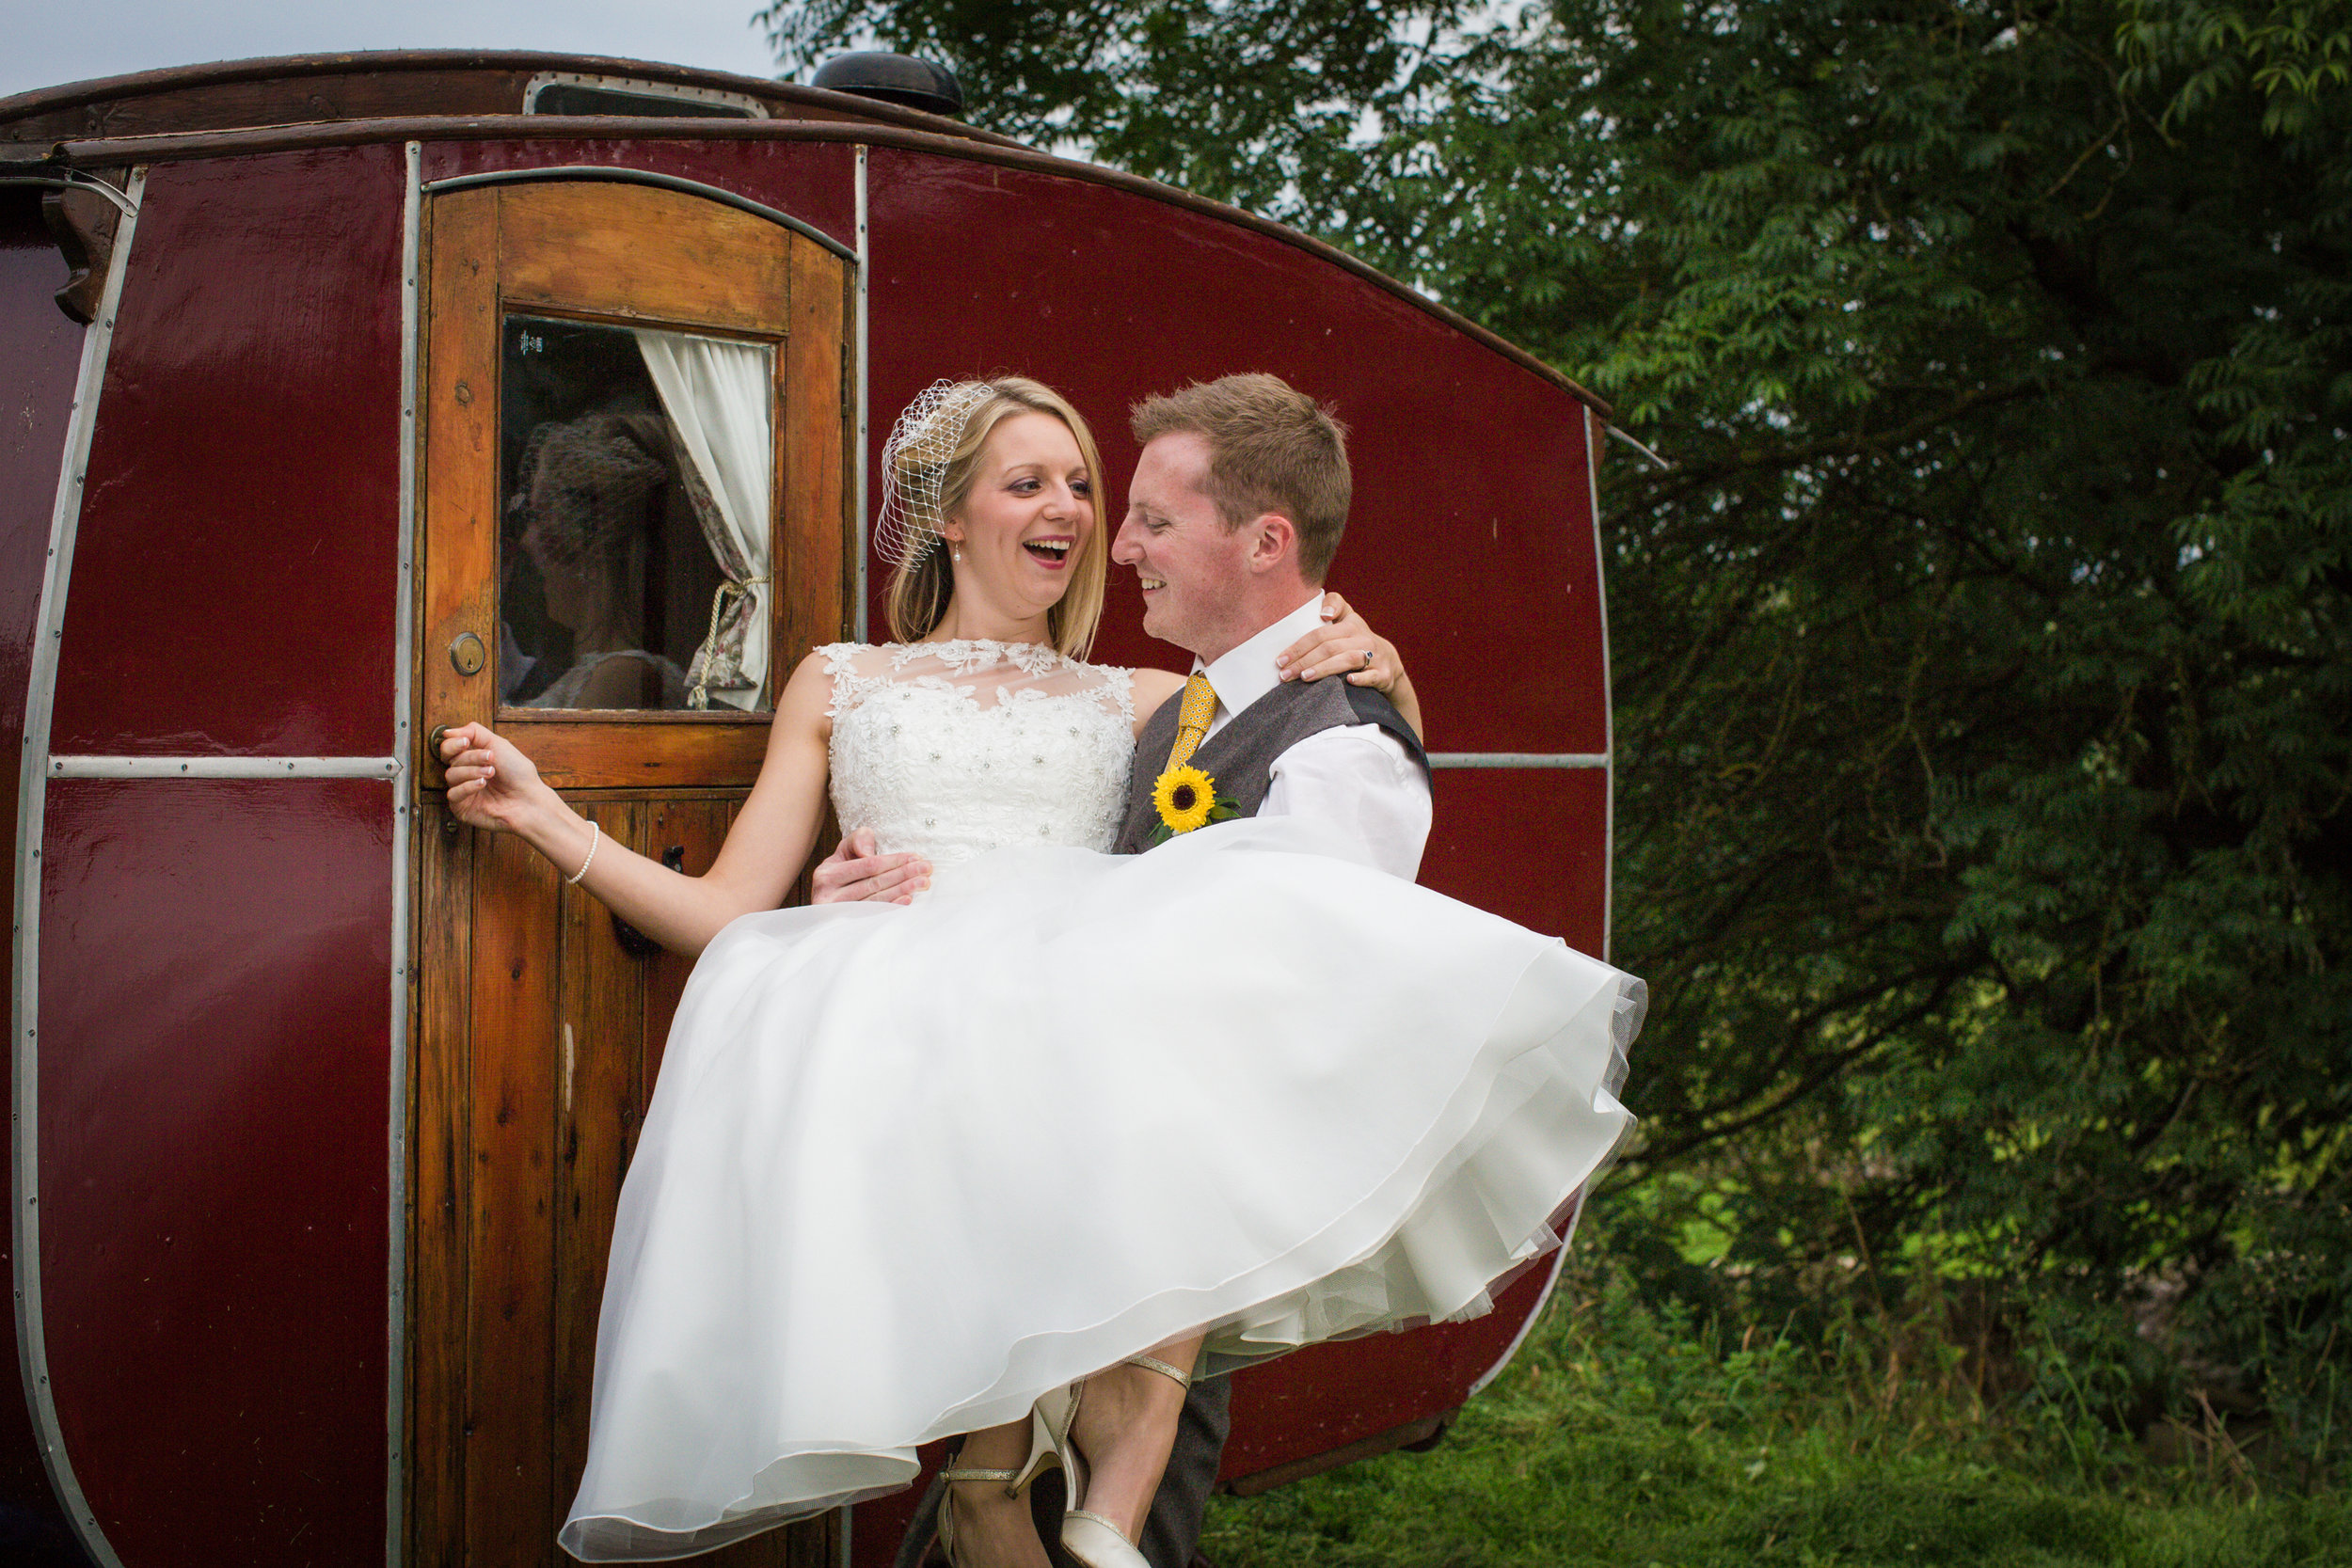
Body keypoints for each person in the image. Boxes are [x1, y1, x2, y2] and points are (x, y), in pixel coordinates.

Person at [440, 374, 1640, 1568]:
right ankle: (1000, 1480)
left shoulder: (1150, 700)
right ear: (948, 516)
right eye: (1029, 482)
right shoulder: (840, 680)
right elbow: (722, 910)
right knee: (981, 1491)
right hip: (928, 1119)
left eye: (1081, 483)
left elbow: (1335, 788)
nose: (1073, 509)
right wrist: (556, 824)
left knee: (1077, 1495)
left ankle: (1057, 1483)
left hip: (1100, 1152)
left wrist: (1382, 655)